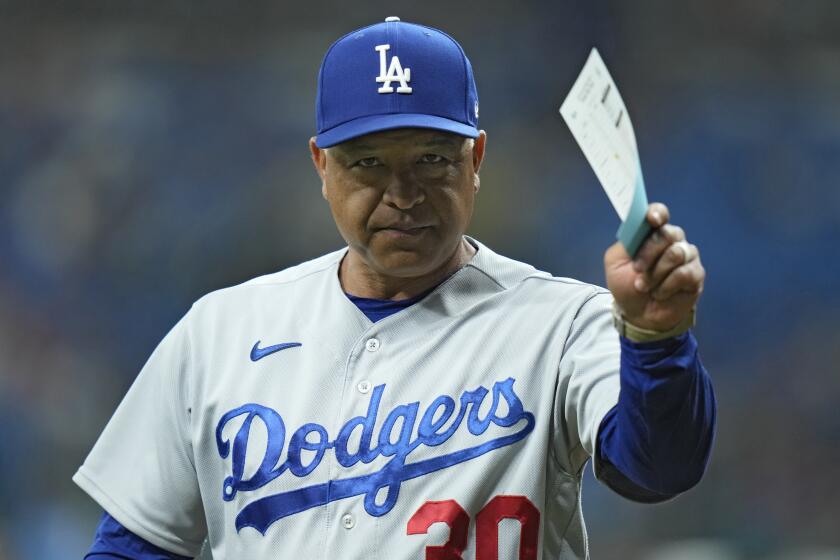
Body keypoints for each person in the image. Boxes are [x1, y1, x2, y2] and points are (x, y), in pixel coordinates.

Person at [75, 17, 715, 560]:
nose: (403, 195)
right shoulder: (218, 332)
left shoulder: (565, 323)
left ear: (477, 161)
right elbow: (134, 545)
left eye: (432, 160)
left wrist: (657, 339)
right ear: (322, 166)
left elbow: (658, 469)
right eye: (368, 163)